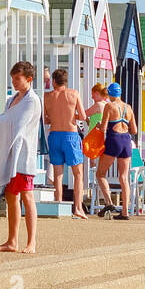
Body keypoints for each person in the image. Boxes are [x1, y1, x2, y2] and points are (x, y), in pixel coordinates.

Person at [0, 61, 42, 253]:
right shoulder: (11, 100)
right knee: (11, 196)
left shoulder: (33, 101)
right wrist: (1, 122)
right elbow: (5, 121)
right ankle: (12, 241)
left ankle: (32, 243)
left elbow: (17, 124)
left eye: (17, 79)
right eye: (12, 79)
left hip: (24, 155)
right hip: (10, 156)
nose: (14, 82)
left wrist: (0, 121)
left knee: (27, 196)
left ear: (29, 79)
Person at [44, 68, 88, 219]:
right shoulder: (73, 93)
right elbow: (82, 116)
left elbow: (45, 119)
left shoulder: (47, 96)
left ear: (54, 81)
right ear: (65, 81)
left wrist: (56, 117)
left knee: (58, 174)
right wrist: (71, 115)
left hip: (54, 135)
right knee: (78, 174)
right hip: (71, 134)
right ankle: (77, 207)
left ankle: (58, 203)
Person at [95, 82, 138, 220]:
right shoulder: (128, 107)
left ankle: (109, 202)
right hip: (126, 140)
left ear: (110, 94)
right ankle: (125, 212)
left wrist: (98, 125)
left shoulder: (109, 106)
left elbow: (103, 128)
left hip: (114, 140)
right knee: (124, 177)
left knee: (100, 174)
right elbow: (135, 130)